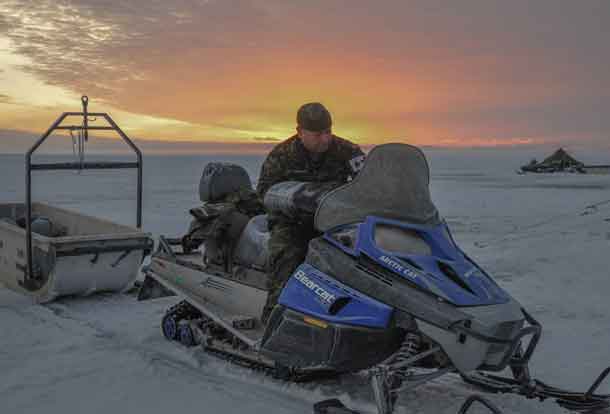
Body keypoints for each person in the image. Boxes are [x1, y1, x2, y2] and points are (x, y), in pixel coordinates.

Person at [256, 102, 365, 323]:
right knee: (288, 256)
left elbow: (369, 183)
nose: (325, 139)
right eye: (317, 134)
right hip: (292, 223)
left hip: (336, 222)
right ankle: (275, 322)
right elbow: (264, 192)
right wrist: (294, 199)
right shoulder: (281, 156)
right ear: (300, 132)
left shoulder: (348, 151)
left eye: (328, 132)